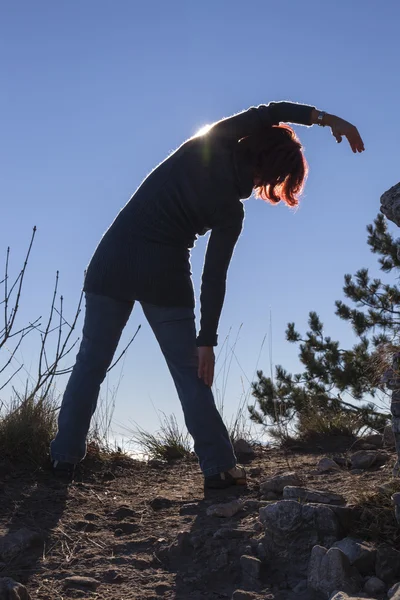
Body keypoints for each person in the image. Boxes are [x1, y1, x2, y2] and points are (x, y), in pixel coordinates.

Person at [50, 100, 364, 488]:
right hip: (163, 273)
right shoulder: (231, 211)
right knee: (188, 375)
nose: (263, 187)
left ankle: (62, 461)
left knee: (90, 365)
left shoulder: (209, 143)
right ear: (269, 170)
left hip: (111, 259)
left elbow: (270, 111)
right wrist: (207, 342)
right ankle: (218, 468)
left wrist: (327, 119)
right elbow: (214, 278)